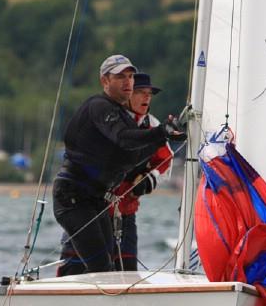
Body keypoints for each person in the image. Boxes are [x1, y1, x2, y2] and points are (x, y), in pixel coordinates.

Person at [53, 54, 186, 276]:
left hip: (98, 202)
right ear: (105, 81)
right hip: (73, 199)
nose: (127, 82)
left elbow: (136, 155)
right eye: (120, 77)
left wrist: (167, 135)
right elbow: (124, 139)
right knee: (100, 269)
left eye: (131, 76)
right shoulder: (99, 106)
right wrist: (162, 132)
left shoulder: (131, 119)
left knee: (112, 271)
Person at [112, 72, 174, 271]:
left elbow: (166, 160)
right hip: (94, 210)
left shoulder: (153, 125)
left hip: (127, 212)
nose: (147, 97)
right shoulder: (112, 119)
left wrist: (149, 180)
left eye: (150, 93)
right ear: (128, 94)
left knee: (128, 271)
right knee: (82, 268)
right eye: (140, 92)